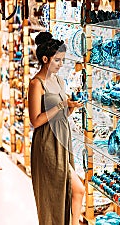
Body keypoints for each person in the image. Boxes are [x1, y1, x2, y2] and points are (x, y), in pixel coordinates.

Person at [28, 32, 85, 225]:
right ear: (45, 59)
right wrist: (61, 106)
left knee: (72, 190)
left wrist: (69, 108)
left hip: (62, 139)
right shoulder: (36, 84)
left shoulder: (59, 81)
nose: (61, 64)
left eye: (62, 60)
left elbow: (60, 116)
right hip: (46, 143)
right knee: (60, 192)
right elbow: (35, 121)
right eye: (58, 60)